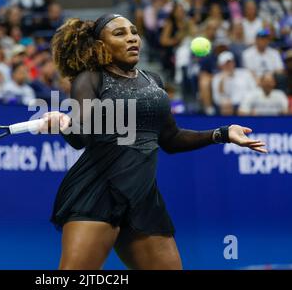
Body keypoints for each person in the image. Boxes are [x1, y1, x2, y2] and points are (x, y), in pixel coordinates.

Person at [41, 14, 267, 270]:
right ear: (100, 46)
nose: (131, 38)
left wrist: (223, 133)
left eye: (133, 32)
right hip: (99, 193)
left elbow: (171, 139)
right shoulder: (90, 79)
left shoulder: (153, 81)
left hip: (142, 199)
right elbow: (80, 136)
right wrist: (64, 122)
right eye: (119, 34)